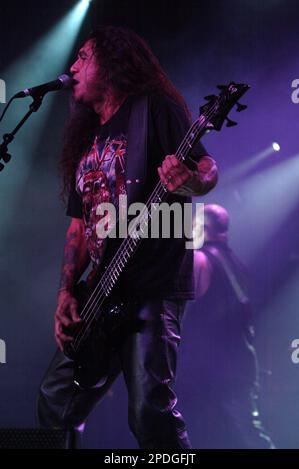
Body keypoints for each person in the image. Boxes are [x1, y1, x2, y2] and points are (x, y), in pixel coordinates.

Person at [37, 26, 218, 449]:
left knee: (148, 411)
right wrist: (66, 294)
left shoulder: (154, 109)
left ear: (113, 61)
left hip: (151, 283)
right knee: (54, 401)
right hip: (98, 293)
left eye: (83, 56)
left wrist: (190, 180)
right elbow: (79, 226)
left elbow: (208, 167)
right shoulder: (86, 138)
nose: (73, 66)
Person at [192, 204, 274, 448]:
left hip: (211, 367)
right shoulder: (237, 264)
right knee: (244, 430)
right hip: (241, 362)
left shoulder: (200, 260)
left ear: (203, 229)